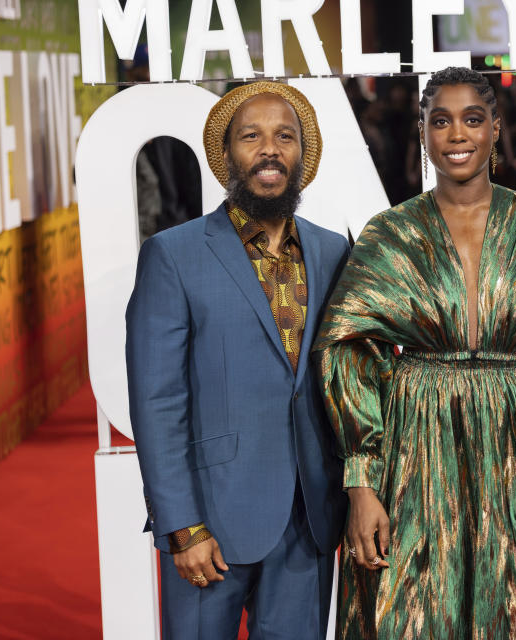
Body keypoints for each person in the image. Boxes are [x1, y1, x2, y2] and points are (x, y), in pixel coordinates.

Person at [316, 66, 516, 640]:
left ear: (495, 128)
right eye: (440, 121)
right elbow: (348, 353)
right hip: (419, 451)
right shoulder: (389, 235)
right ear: (422, 132)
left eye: (472, 119)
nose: (457, 134)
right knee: (415, 612)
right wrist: (362, 483)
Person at [125, 82, 349, 639]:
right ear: (228, 156)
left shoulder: (333, 251)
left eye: (284, 137)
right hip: (211, 523)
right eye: (252, 136)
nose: (269, 150)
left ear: (304, 156)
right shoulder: (172, 255)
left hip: (309, 522)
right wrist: (181, 525)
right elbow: (156, 401)